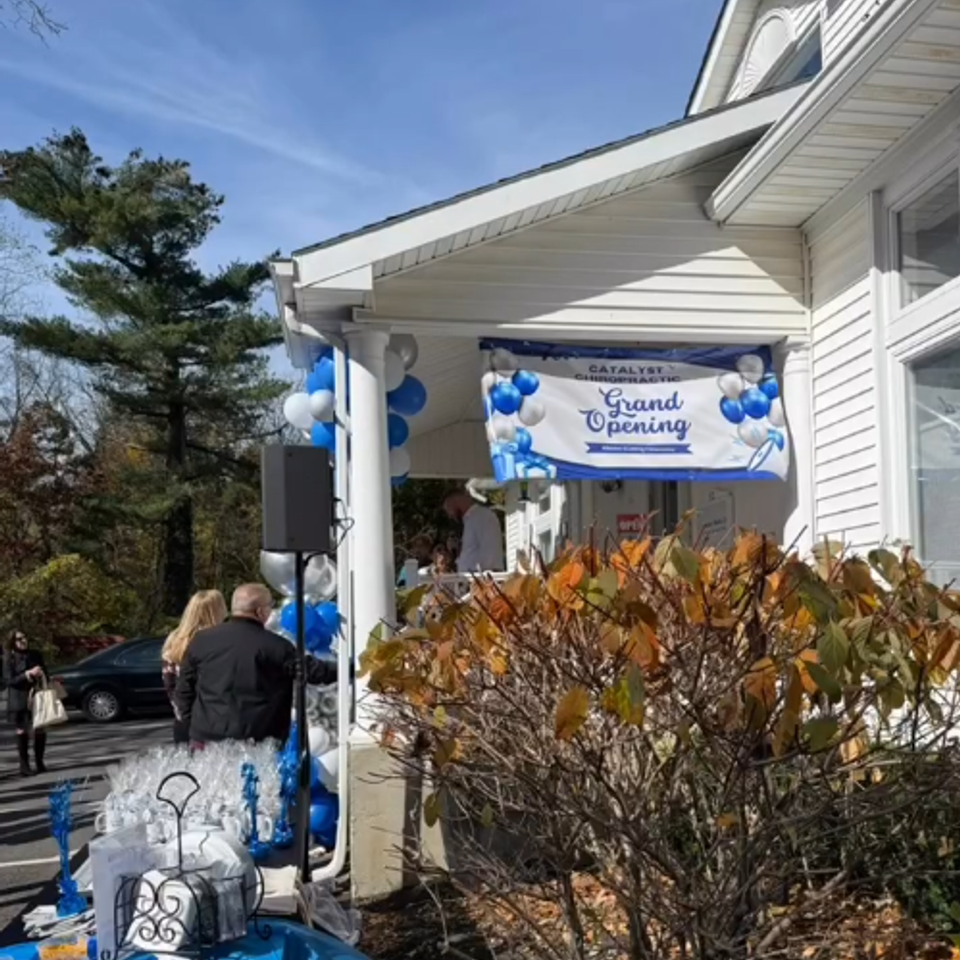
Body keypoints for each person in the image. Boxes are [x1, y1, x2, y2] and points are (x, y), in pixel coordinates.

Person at [175, 583, 339, 745]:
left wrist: (194, 725)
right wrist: (352, 668)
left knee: (206, 774)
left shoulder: (202, 640)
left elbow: (184, 690)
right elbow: (315, 673)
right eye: (270, 606)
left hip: (206, 738)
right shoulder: (276, 646)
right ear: (260, 611)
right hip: (258, 741)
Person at [161, 590, 227, 744]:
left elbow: (169, 682)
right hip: (213, 720)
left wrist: (181, 713)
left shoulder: (175, 639)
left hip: (183, 719)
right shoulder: (215, 641)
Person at [3, 631, 48, 777]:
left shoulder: (35, 654)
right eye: (19, 639)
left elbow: (45, 672)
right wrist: (27, 674)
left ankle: (40, 762)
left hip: (37, 696)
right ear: (13, 641)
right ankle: (24, 765)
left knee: (40, 729)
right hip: (19, 698)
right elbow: (9, 680)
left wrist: (42, 674)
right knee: (22, 731)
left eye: (25, 637)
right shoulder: (9, 658)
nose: (23, 641)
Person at [443, 491, 505, 573]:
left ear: (455, 501)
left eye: (448, 509)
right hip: (471, 580)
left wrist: (487, 580)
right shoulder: (469, 520)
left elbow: (491, 552)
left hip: (482, 581)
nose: (450, 515)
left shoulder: (482, 516)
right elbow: (471, 554)